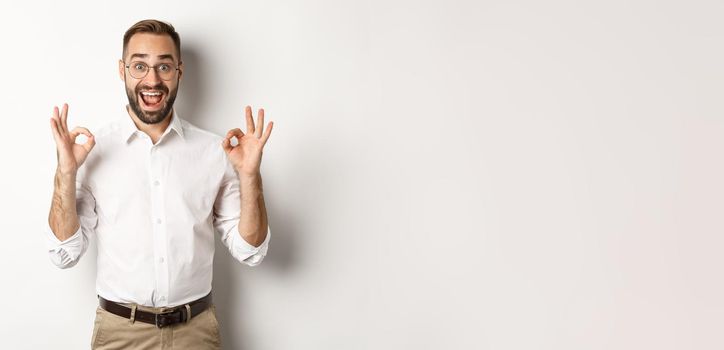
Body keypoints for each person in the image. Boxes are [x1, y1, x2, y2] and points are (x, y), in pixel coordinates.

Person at [45, 19, 274, 349]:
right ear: (122, 70)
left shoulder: (214, 151)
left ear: (179, 71)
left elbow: (250, 251)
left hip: (196, 331)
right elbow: (64, 254)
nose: (152, 80)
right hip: (120, 332)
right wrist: (65, 174)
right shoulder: (92, 151)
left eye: (163, 66)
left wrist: (251, 177)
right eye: (140, 66)